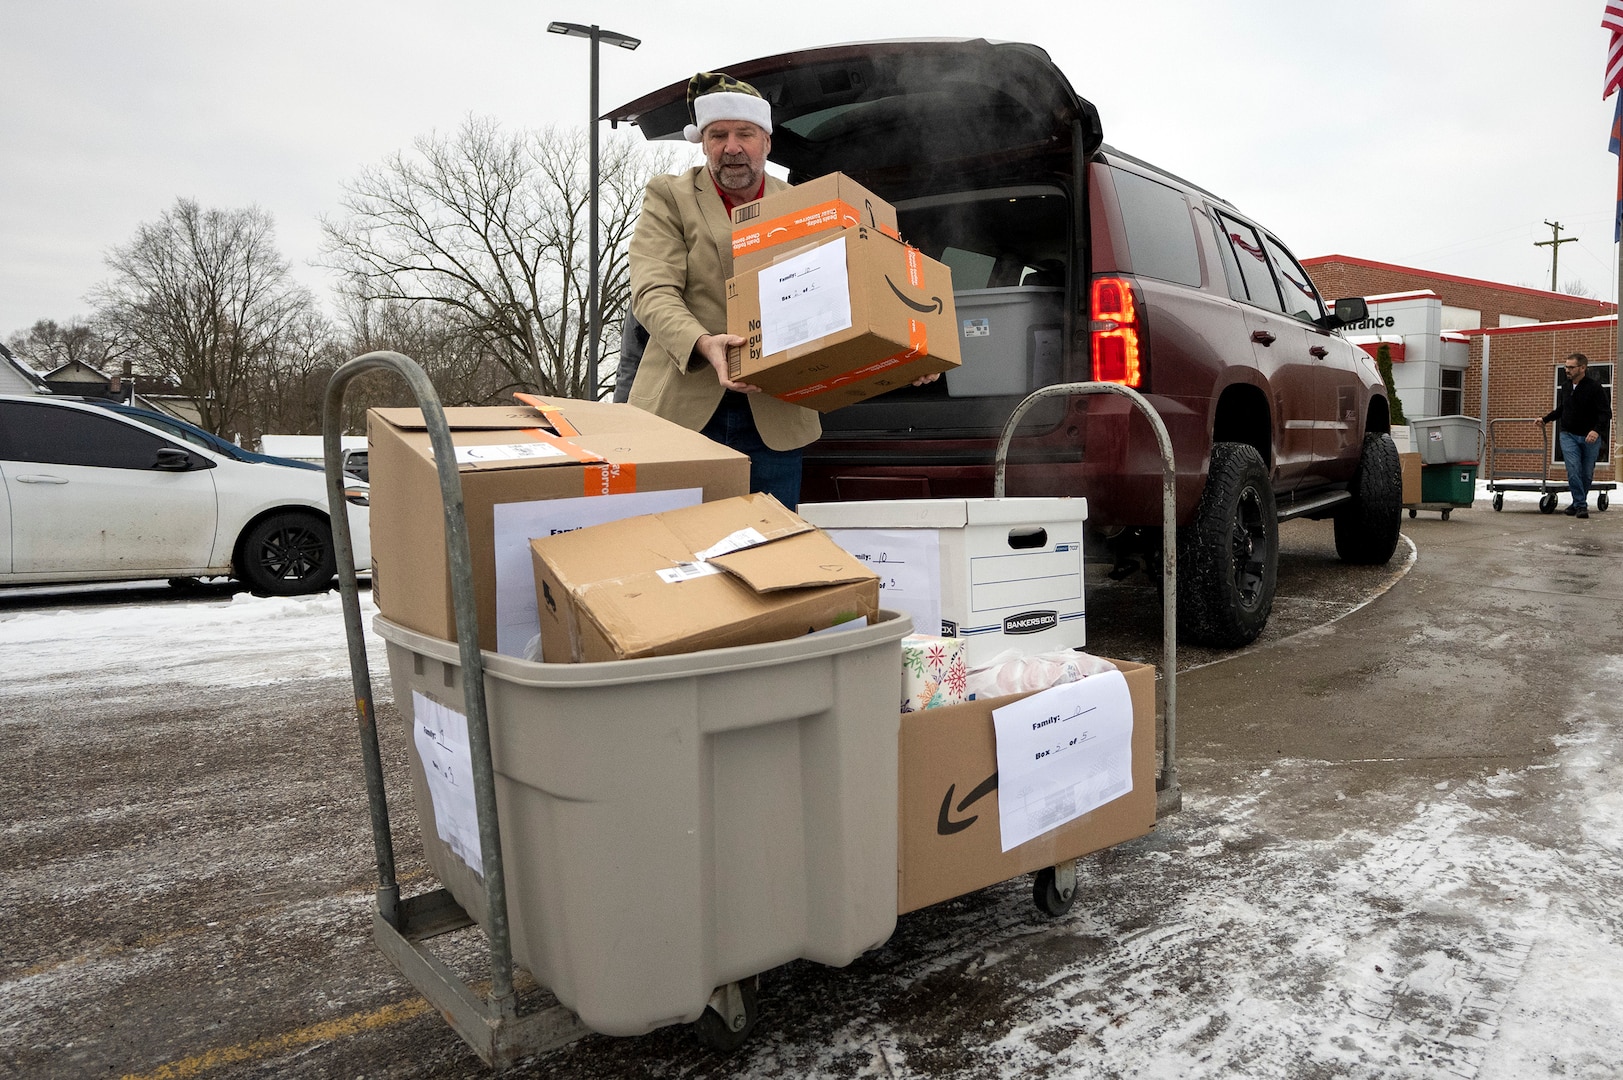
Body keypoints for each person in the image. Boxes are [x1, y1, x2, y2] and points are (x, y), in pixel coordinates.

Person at [626, 71, 816, 508]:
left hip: (777, 416)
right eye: (718, 135)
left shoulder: (804, 205)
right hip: (683, 411)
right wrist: (704, 343)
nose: (731, 147)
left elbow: (839, 294)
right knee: (677, 556)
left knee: (771, 553)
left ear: (767, 141)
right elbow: (652, 291)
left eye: (744, 133)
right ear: (703, 142)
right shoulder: (669, 196)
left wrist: (909, 358)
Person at [1541, 352, 1612, 519]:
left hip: (1590, 437)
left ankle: (1576, 503)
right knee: (1573, 469)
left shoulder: (1594, 388)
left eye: (1571, 367)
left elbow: (1605, 413)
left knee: (1586, 473)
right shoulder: (1566, 386)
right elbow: (1562, 408)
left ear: (1582, 368)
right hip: (1568, 435)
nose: (1567, 370)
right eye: (1566, 366)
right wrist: (1545, 419)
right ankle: (1581, 505)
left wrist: (1596, 430)